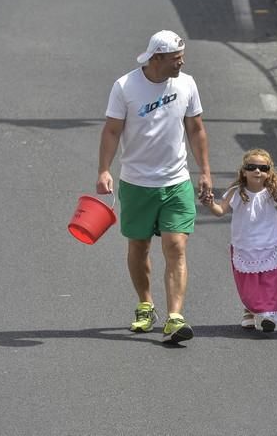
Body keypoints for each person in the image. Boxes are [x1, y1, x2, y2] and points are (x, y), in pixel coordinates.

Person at [96, 30, 212, 344]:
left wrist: (205, 172)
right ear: (156, 58)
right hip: (136, 183)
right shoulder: (125, 86)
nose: (182, 62)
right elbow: (111, 131)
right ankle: (145, 304)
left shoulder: (187, 83)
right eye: (176, 58)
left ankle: (175, 316)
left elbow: (196, 128)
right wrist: (104, 170)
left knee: (176, 247)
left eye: (181, 57)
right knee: (139, 247)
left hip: (176, 181)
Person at [201, 149, 277, 332]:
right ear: (244, 171)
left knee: (269, 279)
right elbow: (220, 211)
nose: (257, 171)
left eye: (262, 168)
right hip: (244, 243)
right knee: (248, 282)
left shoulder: (271, 191)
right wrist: (210, 204)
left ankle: (268, 313)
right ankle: (249, 312)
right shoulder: (235, 192)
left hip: (270, 241)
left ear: (268, 172)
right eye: (252, 167)